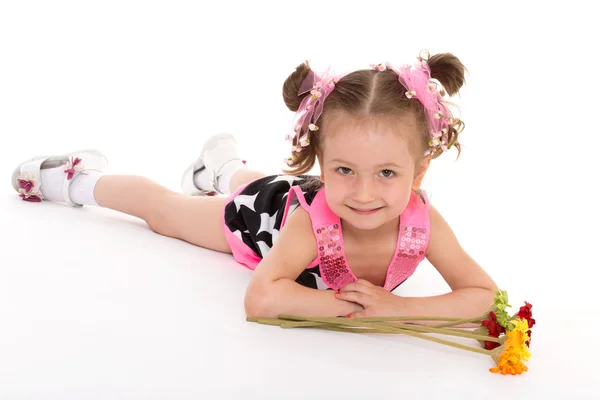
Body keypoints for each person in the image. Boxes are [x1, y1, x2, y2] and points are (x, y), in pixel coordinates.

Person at [11, 50, 498, 322]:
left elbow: (482, 295)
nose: (365, 193)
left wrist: (398, 311)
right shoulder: (314, 223)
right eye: (344, 170)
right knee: (164, 210)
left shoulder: (423, 223)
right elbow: (263, 298)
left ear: (419, 173)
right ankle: (74, 180)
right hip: (259, 220)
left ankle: (222, 166)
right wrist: (356, 309)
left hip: (284, 192)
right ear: (323, 163)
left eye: (387, 174)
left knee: (261, 182)